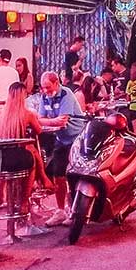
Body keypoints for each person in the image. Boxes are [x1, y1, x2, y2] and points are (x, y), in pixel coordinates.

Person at [33, 72, 84, 225]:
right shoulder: (44, 97)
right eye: (43, 88)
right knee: (58, 175)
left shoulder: (66, 94)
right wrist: (51, 121)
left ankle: (75, 210)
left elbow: (61, 122)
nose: (46, 91)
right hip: (61, 139)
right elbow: (39, 119)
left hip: (75, 138)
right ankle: (61, 210)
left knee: (74, 176)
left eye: (48, 87)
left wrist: (49, 121)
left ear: (56, 83)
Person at [0, 83, 50, 213]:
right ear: (23, 96)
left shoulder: (3, 114)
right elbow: (39, 131)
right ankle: (25, 201)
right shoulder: (27, 114)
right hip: (19, 158)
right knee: (32, 155)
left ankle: (17, 198)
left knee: (31, 150)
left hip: (2, 158)